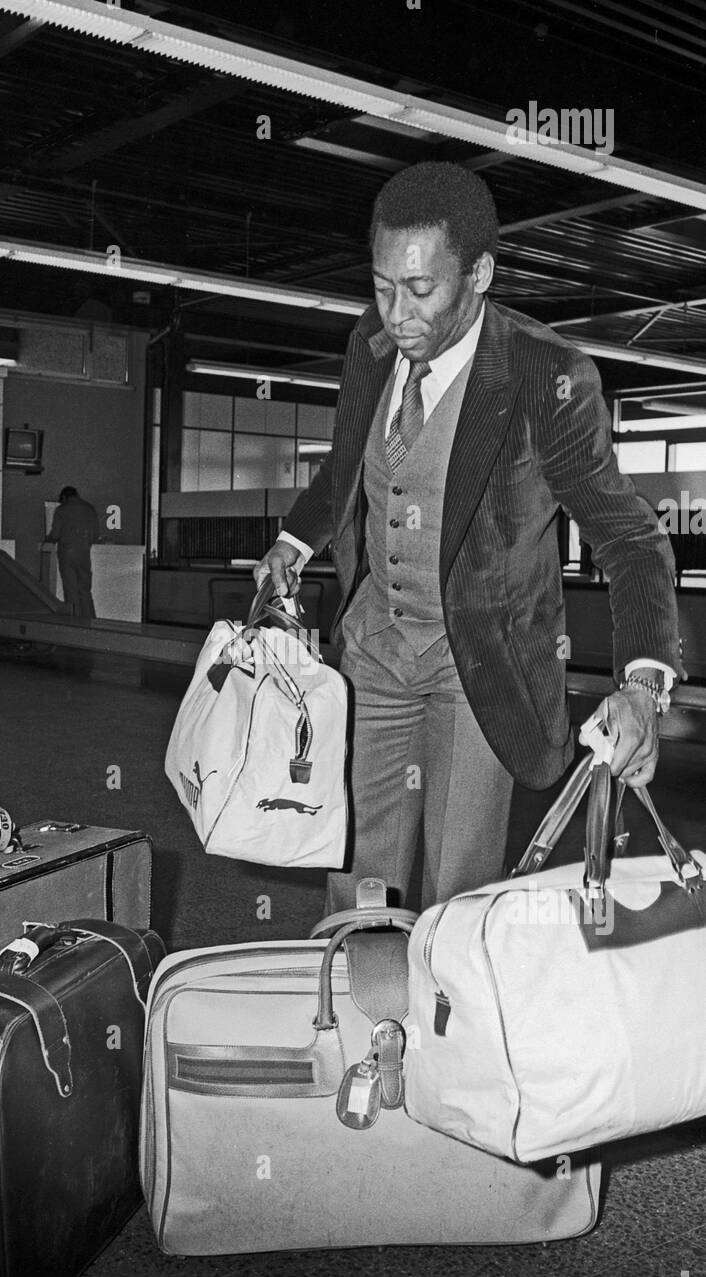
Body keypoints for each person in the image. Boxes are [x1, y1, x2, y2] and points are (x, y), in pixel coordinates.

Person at [254, 162, 681, 914]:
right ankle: (359, 1016)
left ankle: (448, 1028)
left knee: (459, 897)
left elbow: (631, 540)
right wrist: (293, 542)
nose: (398, 313)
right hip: (374, 655)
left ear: (479, 273)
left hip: (476, 667)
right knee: (355, 884)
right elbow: (350, 467)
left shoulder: (544, 374)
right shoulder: (370, 344)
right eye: (383, 286)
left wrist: (642, 686)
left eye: (422, 290)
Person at [47, 486, 99, 620]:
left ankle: (74, 623)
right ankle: (90, 621)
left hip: (67, 553)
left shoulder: (62, 510)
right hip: (84, 553)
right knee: (85, 590)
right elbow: (95, 535)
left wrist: (48, 538)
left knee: (71, 590)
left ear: (64, 497)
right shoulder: (89, 508)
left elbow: (55, 534)